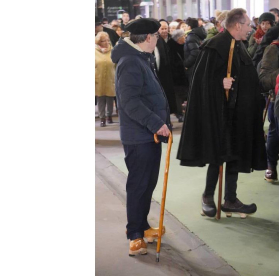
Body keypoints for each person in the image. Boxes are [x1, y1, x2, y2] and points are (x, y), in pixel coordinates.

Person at [177, 8, 267, 218]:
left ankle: (230, 199)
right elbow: (200, 82)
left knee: (234, 154)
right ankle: (208, 197)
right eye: (247, 25)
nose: (249, 29)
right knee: (217, 156)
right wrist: (220, 83)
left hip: (238, 114)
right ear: (237, 25)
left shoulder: (240, 46)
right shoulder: (215, 46)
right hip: (219, 114)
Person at [111, 18, 171, 256]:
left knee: (147, 184)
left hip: (148, 135)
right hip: (139, 136)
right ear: (148, 37)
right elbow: (130, 102)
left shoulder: (140, 58)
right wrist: (156, 123)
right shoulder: (131, 62)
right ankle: (135, 234)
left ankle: (143, 226)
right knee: (138, 185)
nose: (158, 39)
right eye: (156, 35)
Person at [259, 37, 279, 183]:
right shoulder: (274, 48)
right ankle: (271, 166)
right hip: (276, 98)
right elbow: (264, 79)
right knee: (274, 132)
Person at [167, 29, 188, 122]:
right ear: (178, 38)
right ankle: (179, 113)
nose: (185, 38)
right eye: (183, 36)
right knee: (178, 96)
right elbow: (173, 63)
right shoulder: (171, 48)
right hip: (176, 76)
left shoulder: (182, 46)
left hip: (182, 76)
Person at [95, 32, 115, 127]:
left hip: (110, 77)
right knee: (100, 99)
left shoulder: (113, 50)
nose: (106, 42)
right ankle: (102, 118)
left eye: (107, 40)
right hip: (98, 78)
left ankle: (109, 116)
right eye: (104, 41)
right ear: (99, 42)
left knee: (110, 98)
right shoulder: (94, 51)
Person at [183, 18, 207, 85]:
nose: (184, 28)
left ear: (189, 27)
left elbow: (195, 53)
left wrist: (186, 64)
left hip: (193, 67)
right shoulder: (199, 34)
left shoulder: (191, 36)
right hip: (198, 66)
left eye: (185, 26)